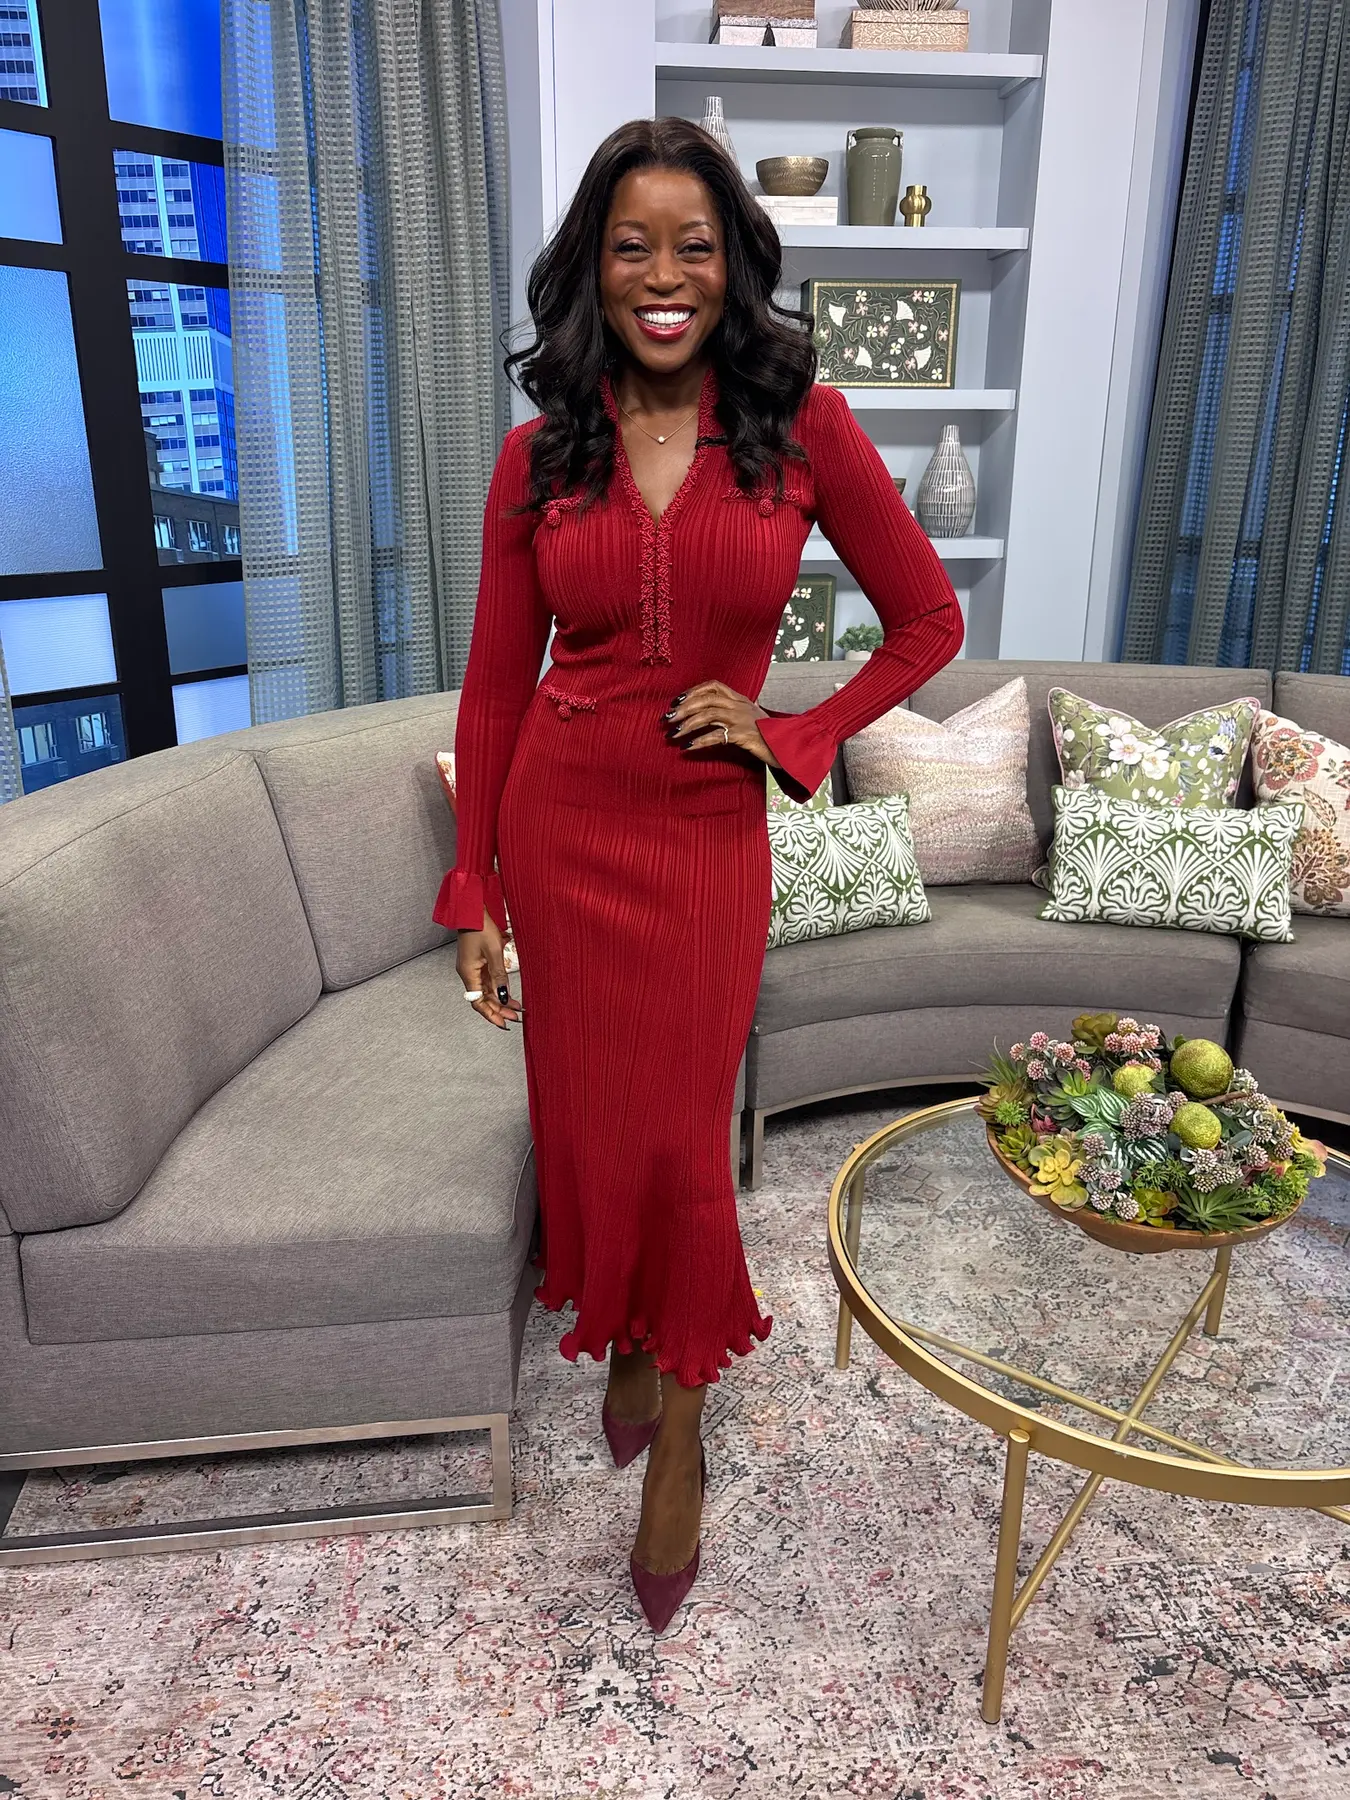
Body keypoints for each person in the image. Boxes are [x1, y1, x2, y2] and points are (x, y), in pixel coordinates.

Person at [435, 116, 964, 1632]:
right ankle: (627, 1336)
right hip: (564, 831)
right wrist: (474, 889)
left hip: (704, 842)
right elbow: (494, 685)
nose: (662, 277)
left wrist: (796, 732)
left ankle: (681, 1428)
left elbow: (927, 620)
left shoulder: (804, 429)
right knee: (598, 1136)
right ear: (590, 270)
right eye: (630, 247)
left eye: (693, 246)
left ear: (732, 265)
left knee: (677, 1144)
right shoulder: (541, 453)